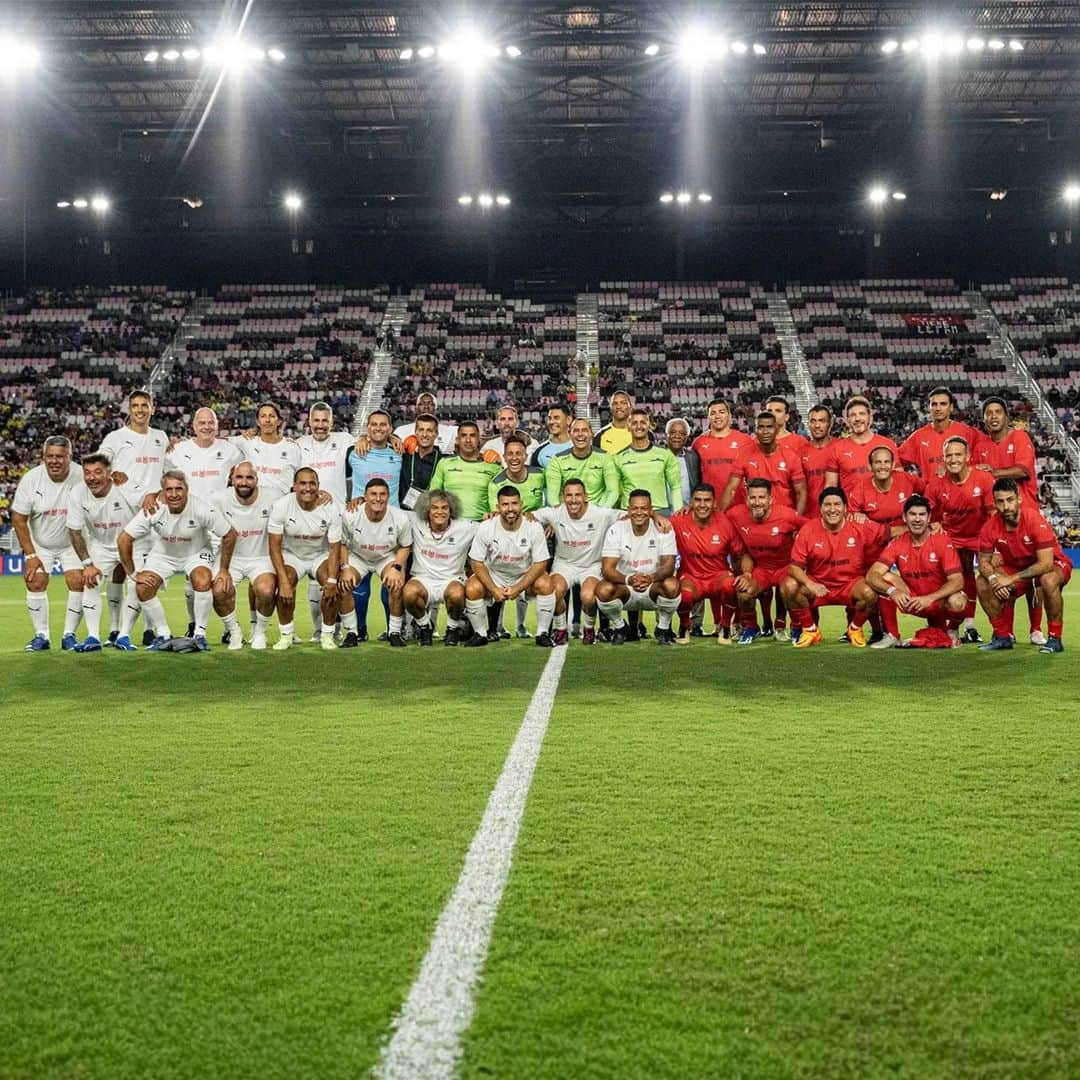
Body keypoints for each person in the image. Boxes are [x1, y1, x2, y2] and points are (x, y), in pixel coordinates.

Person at [116, 469, 237, 651]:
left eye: (179, 489)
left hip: (196, 553)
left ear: (187, 489)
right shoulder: (154, 509)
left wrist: (224, 570)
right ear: (162, 491)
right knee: (142, 586)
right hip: (163, 555)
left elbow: (230, 534)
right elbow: (124, 539)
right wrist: (133, 573)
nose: (174, 494)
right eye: (169, 489)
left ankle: (200, 635)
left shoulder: (202, 508)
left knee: (202, 579)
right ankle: (164, 635)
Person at [167, 406, 246, 637]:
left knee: (223, 578)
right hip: (189, 524)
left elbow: (249, 461)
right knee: (193, 580)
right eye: (201, 422)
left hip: (220, 525)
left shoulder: (231, 450)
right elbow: (159, 471)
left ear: (217, 426)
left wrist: (246, 435)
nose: (206, 427)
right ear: (193, 426)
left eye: (211, 422)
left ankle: (228, 628)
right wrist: (166, 442)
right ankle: (193, 624)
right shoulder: (178, 450)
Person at [973, 396, 1045, 645]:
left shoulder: (1019, 437)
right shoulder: (980, 445)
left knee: (1035, 577)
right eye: (988, 413)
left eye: (997, 412)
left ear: (1006, 416)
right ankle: (1007, 631)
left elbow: (1024, 470)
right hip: (998, 521)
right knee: (1002, 573)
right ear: (984, 419)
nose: (993, 416)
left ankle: (1036, 629)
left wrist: (990, 471)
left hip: (1028, 516)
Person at [782, 486, 890, 649]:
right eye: (827, 505)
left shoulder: (859, 525)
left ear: (846, 508)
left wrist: (926, 527)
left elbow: (888, 532)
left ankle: (854, 629)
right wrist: (811, 584)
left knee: (870, 592)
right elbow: (794, 568)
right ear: (820, 508)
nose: (832, 509)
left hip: (850, 585)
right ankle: (810, 629)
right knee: (788, 586)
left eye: (837, 504)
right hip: (818, 584)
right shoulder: (809, 529)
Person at [976, 478, 1072, 653]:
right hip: (1018, 569)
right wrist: (994, 579)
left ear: (1019, 498)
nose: (1006, 506)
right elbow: (983, 562)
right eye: (1000, 501)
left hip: (1052, 565)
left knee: (1048, 580)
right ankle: (1002, 636)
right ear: (995, 503)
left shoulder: (1034, 520)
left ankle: (1055, 638)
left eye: (1010, 500)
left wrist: (1009, 579)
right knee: (982, 583)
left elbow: (1046, 564)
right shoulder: (990, 527)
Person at [66, 452, 148, 652]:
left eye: (97, 472)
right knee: (90, 581)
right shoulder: (77, 493)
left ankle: (124, 635)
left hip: (133, 543)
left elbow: (150, 501)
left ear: (109, 473)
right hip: (101, 544)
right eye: (87, 473)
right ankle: (93, 636)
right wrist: (87, 564)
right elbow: (74, 531)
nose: (92, 478)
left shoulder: (125, 488)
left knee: (138, 585)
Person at [11, 436, 85, 652]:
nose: (54, 461)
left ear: (69, 457)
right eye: (50, 456)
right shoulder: (31, 479)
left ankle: (69, 635)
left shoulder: (82, 476)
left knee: (78, 581)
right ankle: (41, 635)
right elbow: (18, 518)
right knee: (35, 581)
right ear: (43, 457)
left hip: (73, 541)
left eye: (60, 457)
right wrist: (31, 556)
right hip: (41, 542)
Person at [866, 494, 966, 648]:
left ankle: (951, 630)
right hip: (912, 600)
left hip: (937, 602)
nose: (917, 519)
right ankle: (892, 635)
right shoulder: (897, 543)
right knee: (883, 576)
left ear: (929, 518)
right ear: (904, 518)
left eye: (922, 514)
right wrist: (893, 591)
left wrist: (930, 598)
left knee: (958, 601)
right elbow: (872, 574)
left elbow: (958, 580)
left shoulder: (942, 541)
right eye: (912, 514)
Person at [531, 479, 623, 646]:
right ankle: (560, 629)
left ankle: (589, 629)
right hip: (564, 564)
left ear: (585, 497)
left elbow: (629, 514)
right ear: (563, 497)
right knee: (554, 592)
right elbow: (528, 516)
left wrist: (658, 517)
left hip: (591, 566)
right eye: (569, 495)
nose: (573, 500)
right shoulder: (554, 513)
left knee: (587, 597)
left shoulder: (601, 514)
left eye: (577, 495)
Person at [464, 487, 556, 646]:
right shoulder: (486, 526)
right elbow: (476, 562)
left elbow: (541, 563)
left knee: (546, 584)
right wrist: (493, 589)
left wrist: (518, 588)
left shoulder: (533, 527)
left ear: (521, 504)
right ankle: (480, 634)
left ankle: (542, 633)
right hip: (495, 575)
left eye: (514, 503)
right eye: (505, 504)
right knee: (472, 588)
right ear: (498, 507)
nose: (510, 509)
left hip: (523, 574)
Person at [925, 436, 995, 644]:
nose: (953, 459)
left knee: (990, 578)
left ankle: (999, 630)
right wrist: (933, 523)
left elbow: (993, 514)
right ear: (943, 458)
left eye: (958, 454)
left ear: (968, 457)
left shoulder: (983, 479)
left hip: (980, 536)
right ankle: (952, 626)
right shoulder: (937, 482)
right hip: (952, 537)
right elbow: (926, 510)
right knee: (956, 578)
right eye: (949, 455)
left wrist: (994, 546)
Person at [266, 467, 343, 651]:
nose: (307, 488)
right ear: (294, 486)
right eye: (302, 483)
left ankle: (327, 634)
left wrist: (332, 580)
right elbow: (274, 547)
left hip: (320, 555)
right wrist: (283, 581)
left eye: (312, 483)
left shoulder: (331, 508)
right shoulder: (281, 506)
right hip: (292, 555)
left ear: (318, 486)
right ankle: (286, 635)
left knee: (332, 586)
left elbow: (334, 549)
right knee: (285, 584)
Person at [726, 478, 807, 644]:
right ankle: (751, 627)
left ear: (770, 499)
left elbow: (813, 527)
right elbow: (715, 518)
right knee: (743, 591)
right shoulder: (735, 514)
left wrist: (801, 543)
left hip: (786, 567)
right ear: (746, 499)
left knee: (790, 588)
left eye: (761, 497)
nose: (757, 502)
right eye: (753, 498)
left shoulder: (787, 515)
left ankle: (798, 627)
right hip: (761, 569)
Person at [346, 409, 404, 641]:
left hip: (391, 528)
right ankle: (359, 629)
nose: (378, 428)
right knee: (358, 585)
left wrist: (395, 440)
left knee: (391, 583)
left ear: (390, 429)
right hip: (360, 526)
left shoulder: (400, 452)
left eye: (383, 425)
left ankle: (392, 630)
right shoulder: (353, 452)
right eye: (374, 425)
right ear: (367, 428)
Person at [596, 489, 682, 645]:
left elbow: (669, 566)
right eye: (635, 508)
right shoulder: (616, 530)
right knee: (603, 589)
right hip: (626, 587)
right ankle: (620, 627)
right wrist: (629, 579)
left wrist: (651, 578)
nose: (639, 512)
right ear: (628, 510)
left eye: (643, 508)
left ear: (650, 510)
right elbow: (607, 569)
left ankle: (662, 628)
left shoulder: (664, 529)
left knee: (672, 585)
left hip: (653, 586)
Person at [671, 483, 753, 645]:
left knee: (731, 585)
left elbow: (741, 554)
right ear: (691, 502)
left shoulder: (726, 522)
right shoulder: (678, 521)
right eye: (698, 500)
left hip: (718, 576)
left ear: (715, 503)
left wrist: (747, 574)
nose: (702, 505)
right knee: (683, 593)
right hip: (691, 576)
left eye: (707, 500)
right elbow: (656, 526)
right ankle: (684, 627)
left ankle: (725, 628)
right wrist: (655, 516)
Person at [211, 461, 278, 651]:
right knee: (218, 591)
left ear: (257, 480)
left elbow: (297, 501)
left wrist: (322, 495)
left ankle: (260, 632)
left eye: (249, 477)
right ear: (232, 479)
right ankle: (234, 631)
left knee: (266, 591)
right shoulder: (218, 499)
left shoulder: (273, 496)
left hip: (261, 557)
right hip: (230, 559)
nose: (244, 482)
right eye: (239, 477)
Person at [339, 477, 413, 648]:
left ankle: (394, 632)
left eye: (382, 494)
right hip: (358, 557)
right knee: (344, 585)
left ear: (388, 496)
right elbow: (341, 544)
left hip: (385, 557)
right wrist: (345, 568)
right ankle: (352, 633)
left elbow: (405, 546)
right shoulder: (350, 515)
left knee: (396, 584)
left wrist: (396, 567)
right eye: (373, 494)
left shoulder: (400, 517)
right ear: (365, 496)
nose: (378, 498)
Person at [402, 489, 478, 646]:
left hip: (452, 580)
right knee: (408, 593)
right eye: (434, 507)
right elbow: (389, 511)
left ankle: (452, 629)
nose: (440, 512)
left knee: (457, 595)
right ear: (426, 510)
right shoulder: (415, 521)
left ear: (451, 510)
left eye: (445, 508)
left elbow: (490, 527)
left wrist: (491, 516)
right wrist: (361, 501)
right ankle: (424, 627)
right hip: (422, 579)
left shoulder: (466, 527)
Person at [720, 411, 807, 514]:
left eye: (769, 427)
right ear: (755, 430)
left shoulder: (791, 456)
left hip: (783, 515)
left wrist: (797, 520)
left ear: (776, 429)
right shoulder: (744, 454)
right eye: (761, 427)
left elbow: (801, 492)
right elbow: (731, 488)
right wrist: (720, 516)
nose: (765, 431)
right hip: (755, 514)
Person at [898, 387, 981, 481]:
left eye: (943, 404)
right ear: (929, 408)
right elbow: (895, 460)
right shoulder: (919, 436)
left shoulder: (967, 432)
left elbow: (989, 450)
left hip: (963, 492)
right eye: (934, 404)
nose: (938, 408)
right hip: (930, 493)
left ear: (951, 407)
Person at [429, 421, 503, 521]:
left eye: (472, 436)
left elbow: (500, 500)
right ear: (457, 440)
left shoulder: (493, 466)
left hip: (481, 525)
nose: (468, 440)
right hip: (451, 525)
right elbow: (434, 495)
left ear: (479, 440)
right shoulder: (444, 463)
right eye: (464, 436)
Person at [613, 409, 684, 513]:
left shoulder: (665, 454)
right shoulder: (618, 457)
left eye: (643, 422)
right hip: (630, 513)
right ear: (628, 426)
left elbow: (676, 487)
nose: (639, 426)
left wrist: (678, 514)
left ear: (649, 425)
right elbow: (614, 491)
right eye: (634, 423)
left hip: (660, 511)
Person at [98, 389, 169, 489]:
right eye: (135, 406)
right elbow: (97, 467)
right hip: (123, 502)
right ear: (129, 410)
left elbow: (169, 468)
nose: (140, 410)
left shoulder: (161, 436)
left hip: (153, 502)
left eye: (144, 405)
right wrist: (111, 475)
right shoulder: (115, 438)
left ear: (152, 410)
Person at [827, 396, 899, 494]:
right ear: (847, 420)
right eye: (853, 415)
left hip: (883, 507)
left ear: (870, 417)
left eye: (862, 414)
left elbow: (899, 480)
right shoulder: (837, 449)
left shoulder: (888, 444)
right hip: (851, 508)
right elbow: (830, 487)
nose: (857, 418)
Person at [233, 401, 303, 500]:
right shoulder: (247, 443)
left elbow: (301, 478)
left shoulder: (292, 447)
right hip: (254, 507)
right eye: (263, 416)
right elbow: (219, 442)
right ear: (257, 421)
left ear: (279, 421)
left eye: (272, 416)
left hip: (282, 507)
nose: (267, 420)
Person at [545, 418, 620, 508]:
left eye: (584, 430)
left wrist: (600, 511)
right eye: (576, 431)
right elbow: (552, 495)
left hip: (598, 510)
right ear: (570, 434)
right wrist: (562, 514)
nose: (580, 434)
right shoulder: (557, 460)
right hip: (568, 511)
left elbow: (612, 491)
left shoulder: (605, 457)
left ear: (591, 434)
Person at [692, 398, 755, 503]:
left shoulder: (745, 441)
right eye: (713, 413)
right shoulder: (698, 443)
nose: (717, 416)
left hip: (739, 504)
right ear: (708, 417)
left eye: (722, 412)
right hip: (709, 506)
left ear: (729, 415)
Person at [297, 401, 353, 503]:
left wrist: (391, 437)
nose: (320, 425)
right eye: (316, 420)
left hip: (337, 512)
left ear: (331, 422)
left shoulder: (345, 439)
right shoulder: (298, 445)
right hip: (307, 512)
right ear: (309, 422)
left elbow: (370, 441)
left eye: (325, 421)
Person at [398, 413, 445, 510]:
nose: (424, 434)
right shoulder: (404, 454)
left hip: (428, 514)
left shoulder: (443, 460)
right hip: (403, 513)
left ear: (436, 434)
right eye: (421, 430)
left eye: (429, 430)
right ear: (415, 433)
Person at [488, 434, 546, 512]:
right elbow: (497, 516)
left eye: (518, 453)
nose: (514, 458)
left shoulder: (540, 474)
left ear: (525, 457)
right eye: (510, 454)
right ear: (504, 457)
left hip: (537, 521)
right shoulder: (495, 484)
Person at [801, 404, 839, 509]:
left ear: (830, 424)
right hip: (809, 514)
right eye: (813, 421)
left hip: (836, 513)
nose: (817, 426)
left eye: (822, 421)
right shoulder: (800, 452)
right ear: (808, 424)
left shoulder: (841, 447)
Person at [664, 417, 701, 509]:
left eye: (682, 433)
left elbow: (697, 484)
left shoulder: (693, 457)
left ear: (687, 437)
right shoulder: (657, 457)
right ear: (666, 435)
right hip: (663, 513)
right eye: (673, 432)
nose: (677, 436)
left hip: (687, 512)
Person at [530, 404, 575, 468]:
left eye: (556, 418)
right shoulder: (539, 452)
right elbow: (535, 477)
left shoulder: (580, 447)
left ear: (568, 420)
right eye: (550, 418)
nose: (551, 422)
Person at [593, 390, 634, 454]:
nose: (619, 407)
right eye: (615, 403)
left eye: (623, 403)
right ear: (611, 409)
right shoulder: (600, 436)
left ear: (631, 407)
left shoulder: (643, 433)